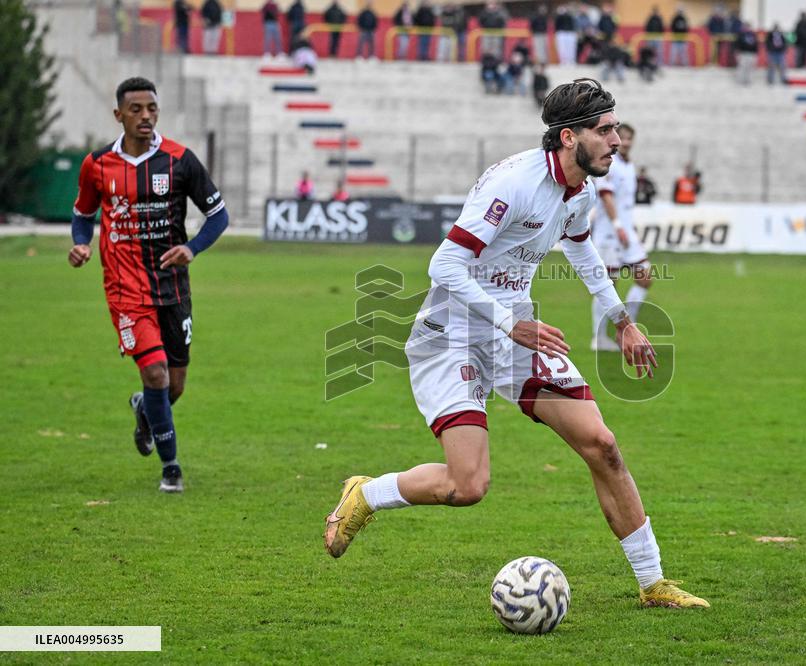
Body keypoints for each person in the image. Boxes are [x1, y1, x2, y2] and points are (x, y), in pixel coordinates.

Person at [323, 78, 709, 611]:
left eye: (615, 126)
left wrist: (621, 320)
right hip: (451, 336)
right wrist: (509, 321)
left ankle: (653, 583)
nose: (616, 139)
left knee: (603, 445)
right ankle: (366, 494)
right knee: (468, 485)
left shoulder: (581, 190)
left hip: (513, 335)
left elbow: (583, 253)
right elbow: (444, 265)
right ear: (570, 137)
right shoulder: (515, 184)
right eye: (605, 129)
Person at [68, 77, 228, 493]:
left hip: (173, 288)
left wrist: (192, 249)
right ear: (118, 114)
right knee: (155, 374)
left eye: (151, 108)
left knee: (173, 385)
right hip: (125, 289)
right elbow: (83, 214)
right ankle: (171, 468)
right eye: (136, 109)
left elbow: (218, 216)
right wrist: (82, 245)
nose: (145, 116)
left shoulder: (180, 160)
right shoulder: (97, 165)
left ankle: (144, 411)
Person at [590, 123, 653, 352]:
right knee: (609, 285)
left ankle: (628, 328)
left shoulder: (629, 165)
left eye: (629, 138)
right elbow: (606, 196)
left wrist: (628, 227)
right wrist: (617, 226)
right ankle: (599, 337)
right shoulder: (609, 163)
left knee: (645, 277)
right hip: (610, 234)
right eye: (622, 138)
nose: (625, 142)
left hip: (626, 234)